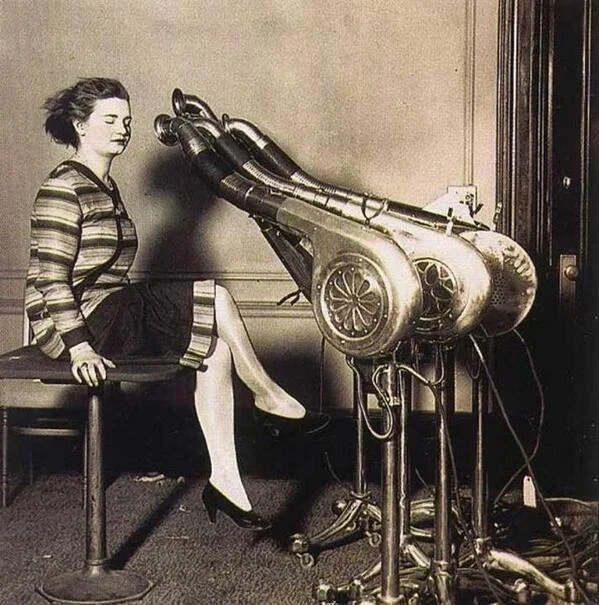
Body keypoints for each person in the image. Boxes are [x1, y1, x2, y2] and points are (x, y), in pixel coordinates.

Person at [25, 77, 329, 531]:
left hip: (110, 309)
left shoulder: (103, 186)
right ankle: (268, 398)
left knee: (216, 352)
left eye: (126, 121)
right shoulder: (63, 188)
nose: (121, 129)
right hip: (76, 323)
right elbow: (50, 277)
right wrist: (80, 347)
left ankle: (226, 481)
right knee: (217, 298)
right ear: (79, 126)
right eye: (109, 120)